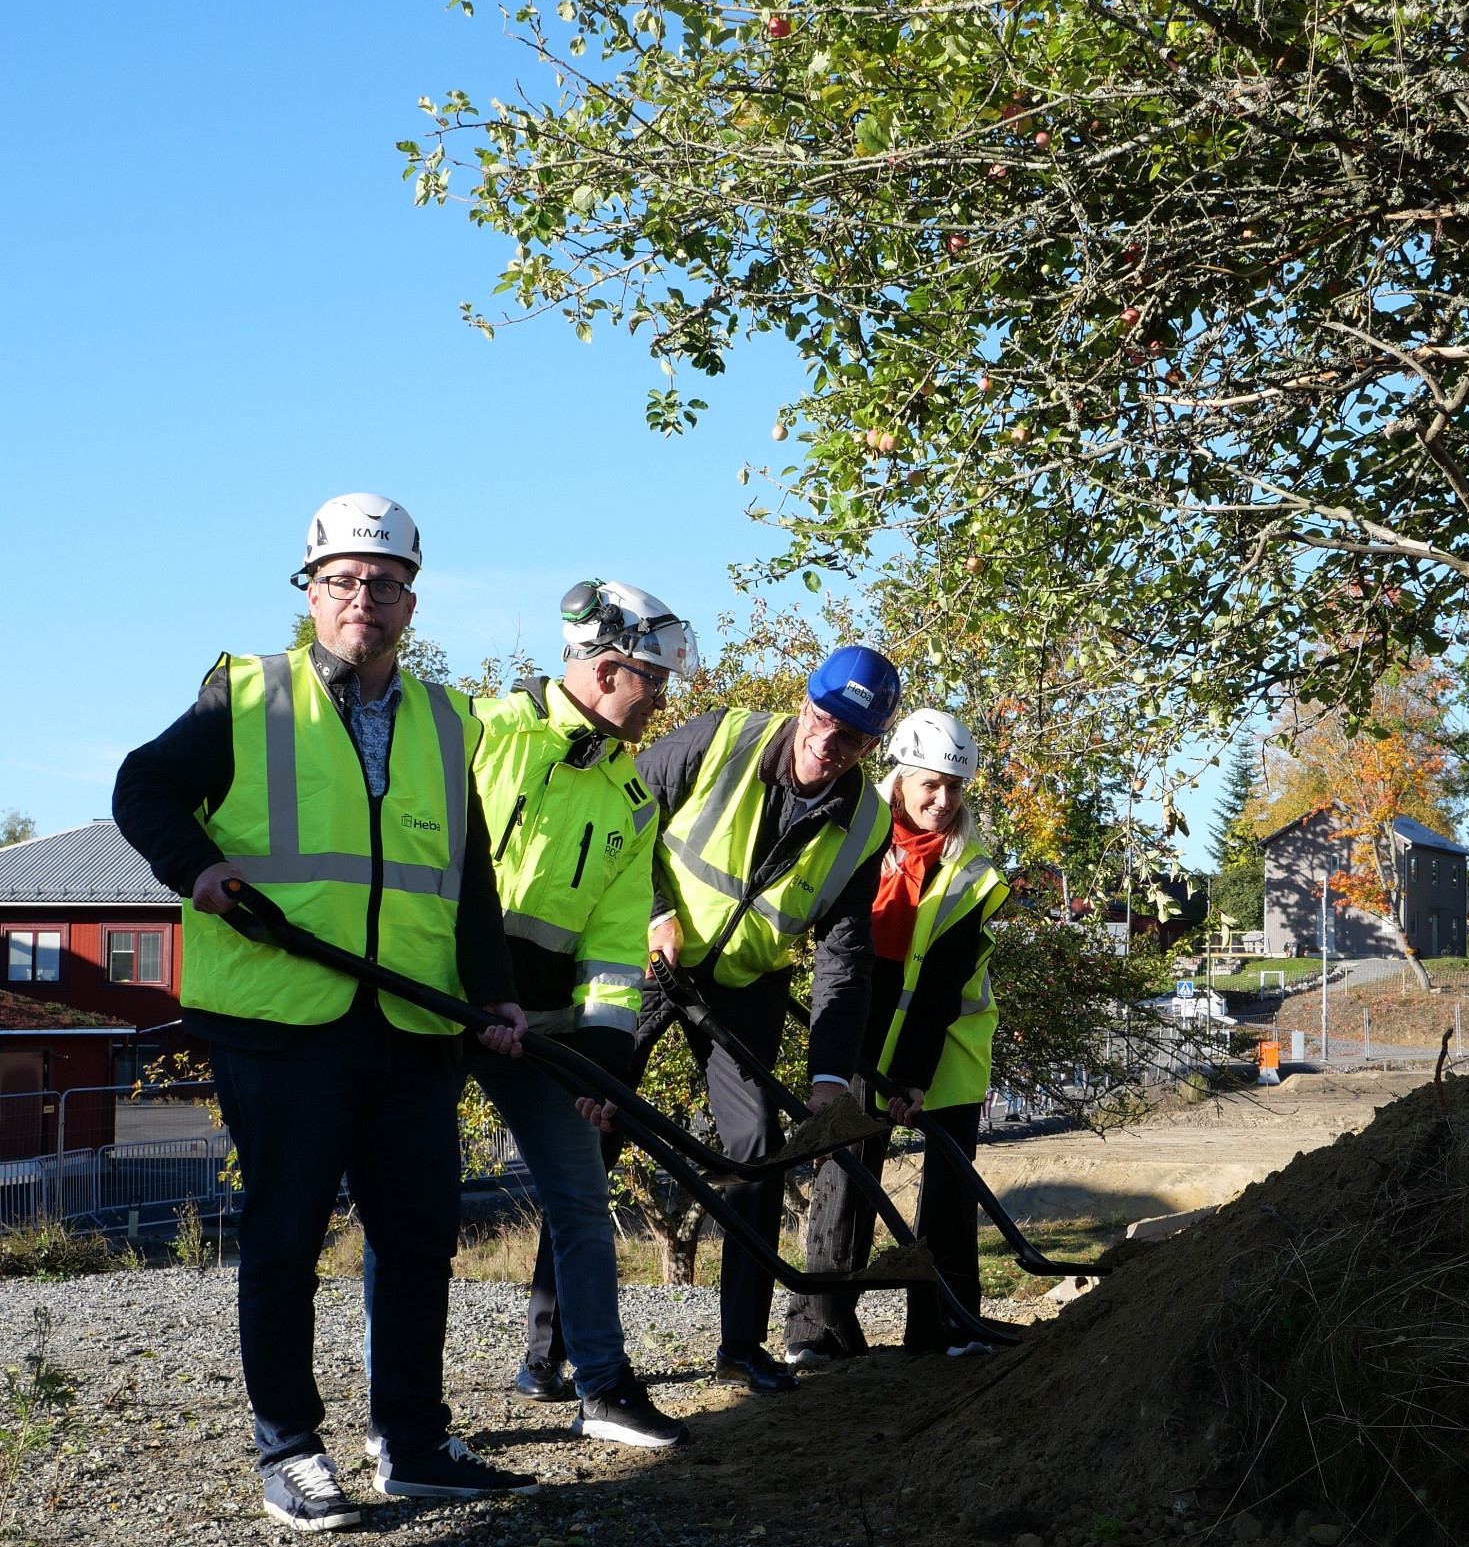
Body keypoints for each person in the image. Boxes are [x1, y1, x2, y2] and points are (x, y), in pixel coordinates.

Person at [112, 493, 537, 1533]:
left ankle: (413, 1441)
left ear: (411, 600)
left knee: (419, 1236)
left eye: (383, 582)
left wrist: (491, 994)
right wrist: (198, 868)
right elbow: (141, 788)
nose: (363, 598)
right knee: (286, 1236)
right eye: (341, 580)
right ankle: (291, 1449)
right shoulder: (245, 695)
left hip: (411, 1024)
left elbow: (467, 874)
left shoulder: (448, 717)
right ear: (309, 592)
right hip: (283, 1020)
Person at [361, 580, 697, 1451]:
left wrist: (605, 1053)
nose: (659, 700)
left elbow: (617, 946)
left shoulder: (631, 798)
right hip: (436, 1008)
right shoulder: (481, 732)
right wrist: (471, 990)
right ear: (604, 664)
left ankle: (603, 1387)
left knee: (582, 1203)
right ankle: (395, 1413)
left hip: (542, 1029)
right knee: (415, 1214)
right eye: (650, 681)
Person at [582, 646, 899, 1393]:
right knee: (590, 1121)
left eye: (852, 737)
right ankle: (549, 1347)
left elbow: (845, 957)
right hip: (650, 953)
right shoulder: (721, 736)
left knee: (758, 1147)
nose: (829, 741)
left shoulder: (865, 822)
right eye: (823, 718)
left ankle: (741, 1345)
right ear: (803, 703)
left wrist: (828, 1079)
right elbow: (626, 806)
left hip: (745, 982)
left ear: (870, 746)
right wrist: (655, 908)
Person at [782, 708, 1009, 1364]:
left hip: (949, 1045)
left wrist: (911, 1077)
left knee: (949, 1184)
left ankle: (945, 1324)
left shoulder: (970, 870)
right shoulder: (856, 840)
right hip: (859, 1035)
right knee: (845, 1178)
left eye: (954, 788)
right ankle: (818, 1329)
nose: (942, 801)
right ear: (900, 779)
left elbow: (939, 985)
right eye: (929, 785)